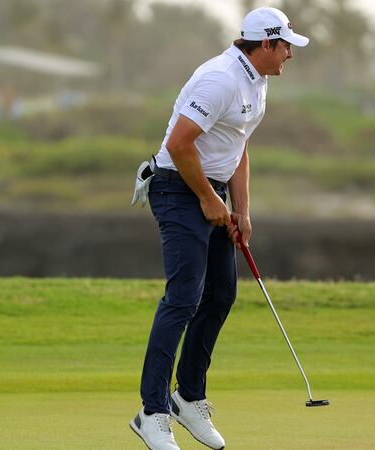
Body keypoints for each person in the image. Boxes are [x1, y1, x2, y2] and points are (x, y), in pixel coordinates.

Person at [129, 7, 309, 450]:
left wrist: (241, 210)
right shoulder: (221, 78)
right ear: (265, 44)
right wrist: (210, 201)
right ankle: (151, 412)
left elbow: (237, 146)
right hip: (175, 187)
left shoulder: (258, 82)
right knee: (184, 296)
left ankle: (187, 397)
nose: (290, 53)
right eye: (285, 45)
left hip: (211, 190)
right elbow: (179, 143)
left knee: (222, 294)